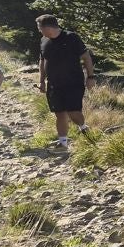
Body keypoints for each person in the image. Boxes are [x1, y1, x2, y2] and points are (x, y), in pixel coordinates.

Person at [35, 14, 94, 149]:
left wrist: (90, 77)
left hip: (73, 82)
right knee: (60, 113)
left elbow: (86, 57)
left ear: (48, 27)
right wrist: (41, 81)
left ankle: (83, 127)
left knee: (73, 113)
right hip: (54, 84)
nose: (39, 31)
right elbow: (42, 60)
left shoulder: (71, 37)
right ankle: (63, 143)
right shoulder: (44, 40)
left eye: (40, 28)